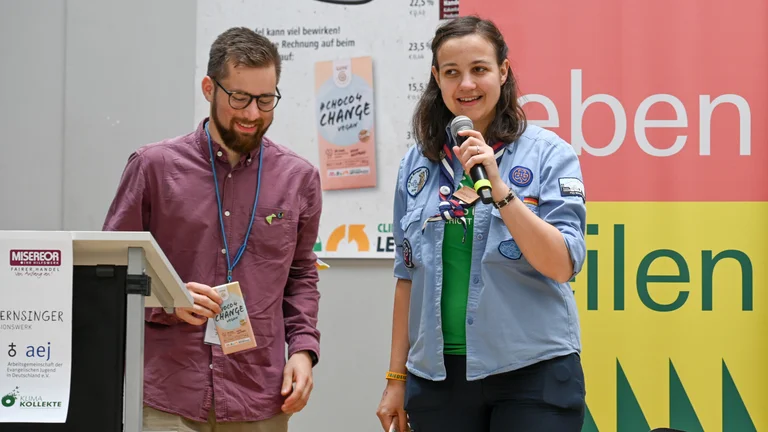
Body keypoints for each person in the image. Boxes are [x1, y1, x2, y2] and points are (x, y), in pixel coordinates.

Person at [103, 27, 323, 432]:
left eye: (265, 99)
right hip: (168, 392)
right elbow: (109, 271)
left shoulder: (300, 178)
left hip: (259, 392)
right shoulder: (153, 167)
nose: (253, 114)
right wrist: (167, 298)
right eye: (239, 97)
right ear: (209, 88)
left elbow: (300, 275)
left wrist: (303, 352)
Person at [376, 16, 587, 432]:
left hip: (532, 373)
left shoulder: (549, 154)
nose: (466, 85)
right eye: (452, 73)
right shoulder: (416, 165)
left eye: (479, 70)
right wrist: (396, 379)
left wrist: (500, 187)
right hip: (438, 379)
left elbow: (563, 264)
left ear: (503, 71)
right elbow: (407, 278)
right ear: (437, 78)